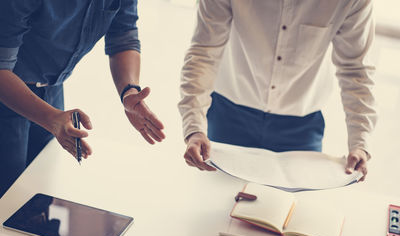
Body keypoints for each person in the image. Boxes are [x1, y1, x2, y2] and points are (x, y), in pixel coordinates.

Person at [179, 0, 376, 178]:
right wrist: (194, 127)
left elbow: (356, 70)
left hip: (301, 129)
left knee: (292, 212)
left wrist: (360, 143)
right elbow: (204, 53)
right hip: (228, 115)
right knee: (217, 201)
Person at [0, 0, 165, 198]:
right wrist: (51, 119)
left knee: (38, 194)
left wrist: (129, 91)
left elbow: (123, 36)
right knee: (7, 196)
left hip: (51, 90)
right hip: (9, 90)